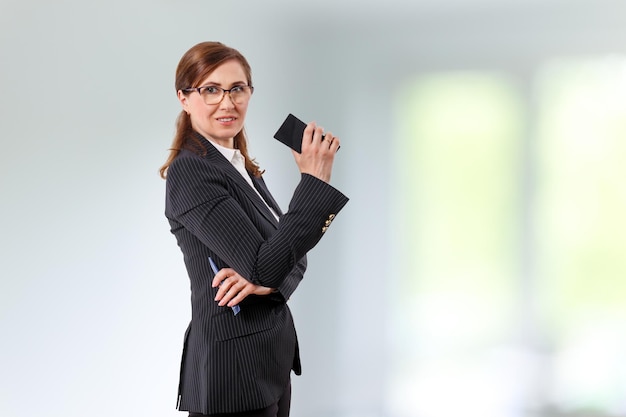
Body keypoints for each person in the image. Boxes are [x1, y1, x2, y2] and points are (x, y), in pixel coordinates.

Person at [160, 41, 349, 417]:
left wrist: (265, 281)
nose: (226, 102)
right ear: (184, 98)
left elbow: (290, 260)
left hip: (267, 363)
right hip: (232, 374)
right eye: (210, 89)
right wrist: (313, 182)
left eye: (237, 89)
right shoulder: (192, 171)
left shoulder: (240, 167)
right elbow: (270, 262)